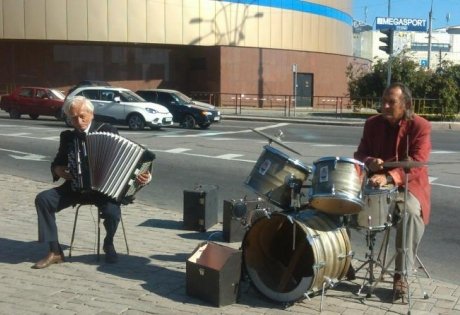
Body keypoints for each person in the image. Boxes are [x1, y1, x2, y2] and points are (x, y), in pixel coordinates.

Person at [33, 96, 151, 269]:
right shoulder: (67, 137)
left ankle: (108, 243)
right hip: (75, 189)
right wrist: (59, 170)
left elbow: (128, 160)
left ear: (91, 114)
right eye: (73, 118)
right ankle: (55, 251)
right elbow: (57, 163)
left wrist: (144, 177)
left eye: (82, 116)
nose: (78, 121)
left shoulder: (108, 130)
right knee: (43, 199)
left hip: (105, 191)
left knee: (112, 212)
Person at [352, 82, 431, 301]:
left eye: (391, 102)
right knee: (338, 200)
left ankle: (401, 275)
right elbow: (360, 154)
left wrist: (389, 177)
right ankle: (339, 262)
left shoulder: (420, 126)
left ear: (406, 104)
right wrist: (369, 161)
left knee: (410, 215)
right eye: (383, 101)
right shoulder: (372, 124)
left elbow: (417, 163)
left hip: (408, 186)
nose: (384, 106)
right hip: (375, 187)